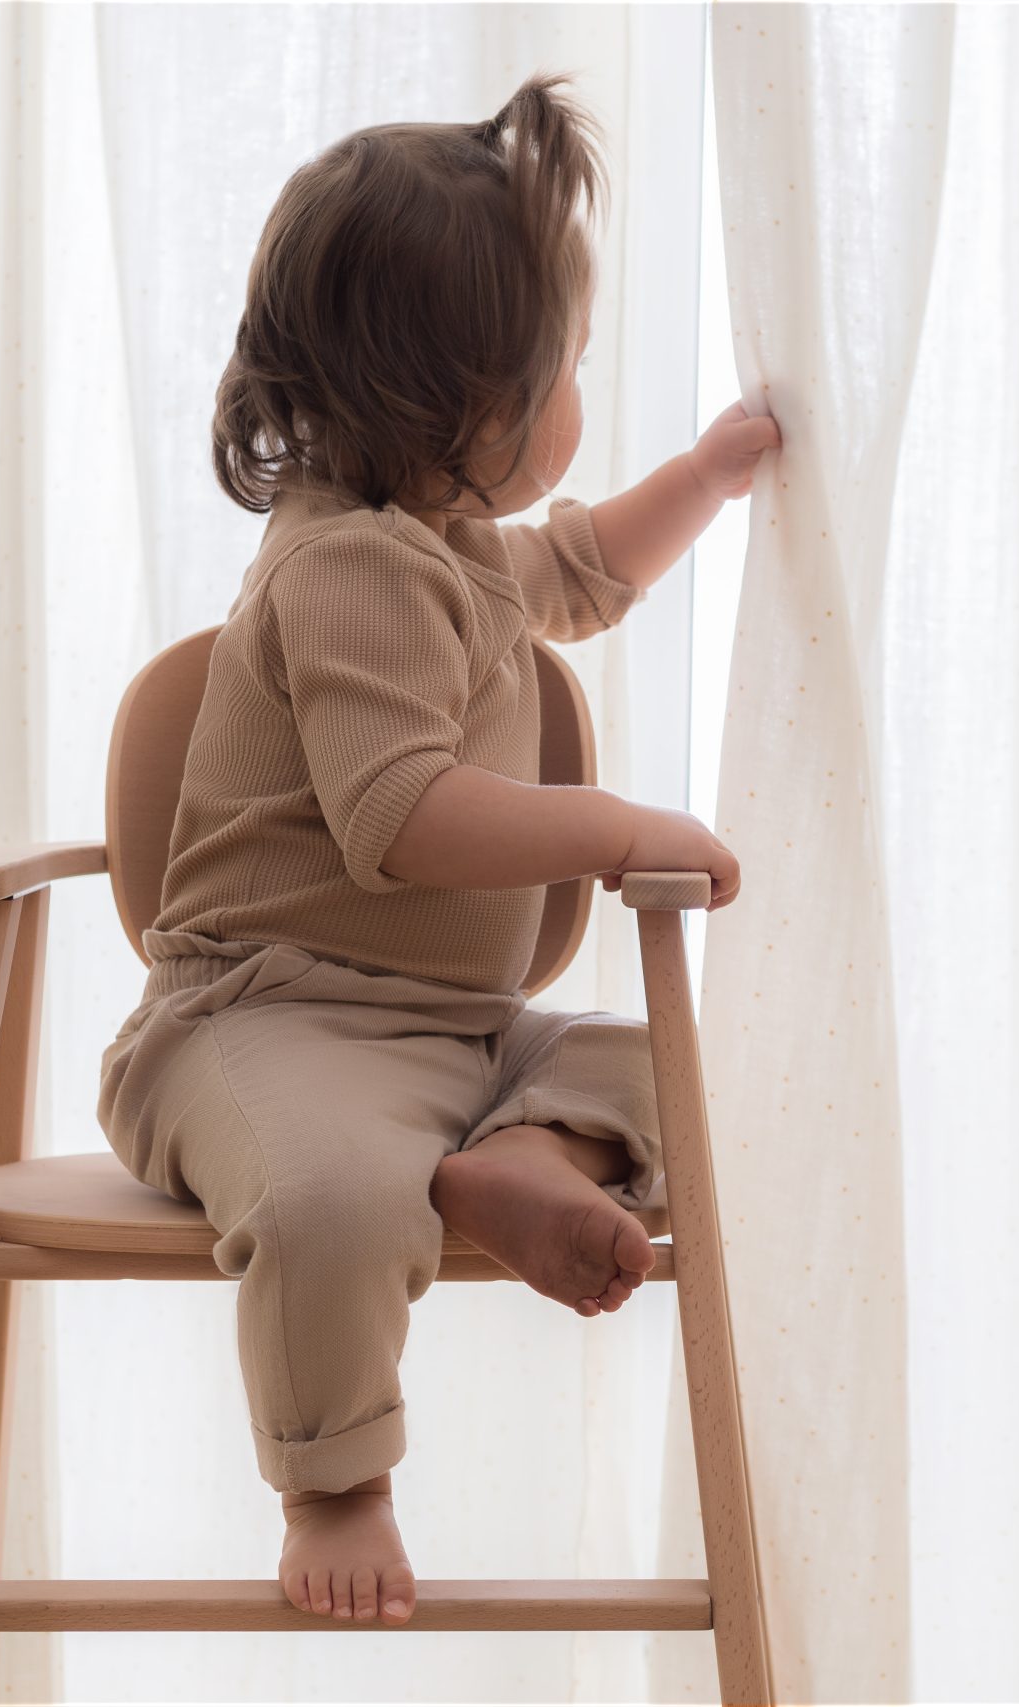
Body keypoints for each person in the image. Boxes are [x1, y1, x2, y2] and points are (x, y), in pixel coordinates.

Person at [96, 72, 773, 1627]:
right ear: (455, 401)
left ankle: (512, 1158)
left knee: (687, 1062)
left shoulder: (446, 551)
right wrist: (610, 828)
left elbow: (579, 570)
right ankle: (336, 1479)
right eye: (569, 368)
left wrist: (709, 478)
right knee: (332, 1199)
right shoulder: (341, 574)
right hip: (254, 1019)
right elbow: (401, 816)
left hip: (452, 1042)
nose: (580, 392)